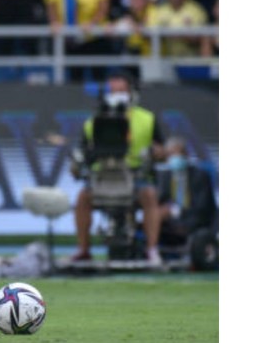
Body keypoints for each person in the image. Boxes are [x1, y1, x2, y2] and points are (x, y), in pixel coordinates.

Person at [70, 71, 166, 266]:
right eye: (112, 90)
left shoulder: (146, 118)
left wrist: (156, 152)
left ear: (132, 92)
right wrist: (77, 164)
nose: (117, 94)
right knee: (82, 198)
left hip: (134, 176)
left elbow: (161, 149)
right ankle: (83, 249)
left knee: (149, 196)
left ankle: (151, 249)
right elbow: (83, 152)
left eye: (121, 90)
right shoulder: (93, 122)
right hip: (103, 178)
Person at [157, 136, 218, 252]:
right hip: (171, 226)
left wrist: (182, 223)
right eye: (170, 155)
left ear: (185, 154)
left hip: (196, 225)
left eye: (176, 154)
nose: (173, 158)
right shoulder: (164, 177)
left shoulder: (200, 176)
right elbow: (161, 200)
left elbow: (202, 208)